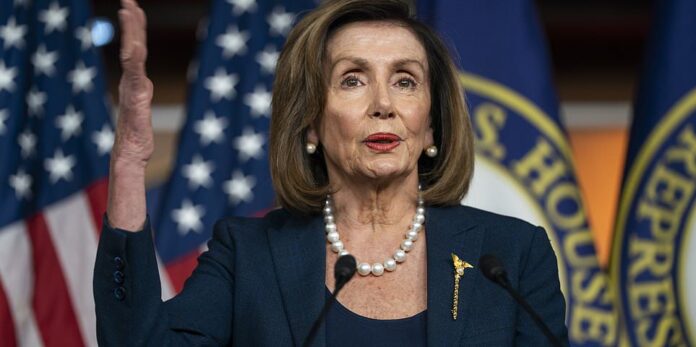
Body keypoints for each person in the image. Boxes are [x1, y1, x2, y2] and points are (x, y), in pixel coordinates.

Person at [94, 0, 570, 345]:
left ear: (431, 128)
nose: (383, 105)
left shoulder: (510, 258)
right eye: (352, 79)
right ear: (310, 125)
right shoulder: (249, 256)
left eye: (405, 81)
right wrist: (130, 164)